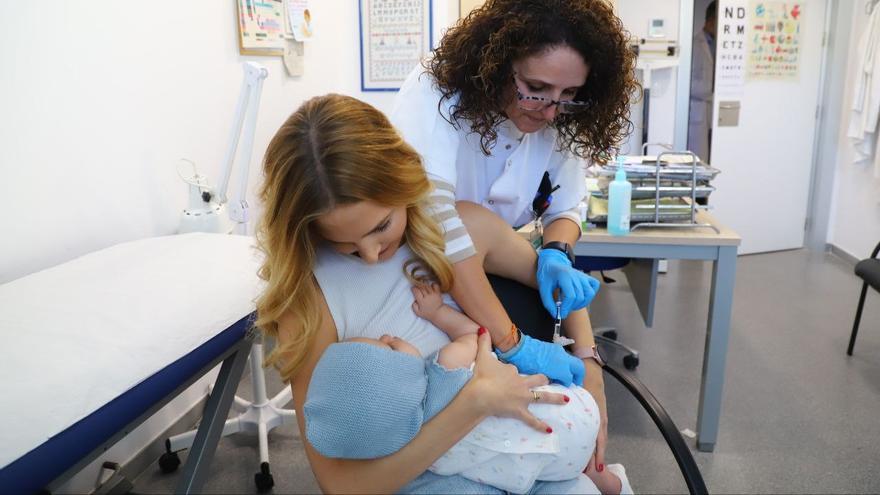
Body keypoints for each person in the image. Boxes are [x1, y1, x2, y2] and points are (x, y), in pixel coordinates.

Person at [256, 93, 604, 493]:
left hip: (522, 449)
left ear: (404, 182)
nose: (370, 256)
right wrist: (473, 405)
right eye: (343, 244)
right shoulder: (309, 299)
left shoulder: (461, 230)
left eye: (381, 227)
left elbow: (561, 291)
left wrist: (590, 366)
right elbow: (342, 486)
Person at [390, 0, 638, 470]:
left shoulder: (554, 116)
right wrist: (512, 343)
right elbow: (444, 223)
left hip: (497, 265)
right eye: (536, 89)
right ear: (496, 65)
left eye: (569, 95)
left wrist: (559, 256)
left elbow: (566, 209)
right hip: (428, 279)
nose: (550, 110)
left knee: (567, 415)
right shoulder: (435, 93)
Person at [302, 333, 633, 495]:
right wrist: (439, 312)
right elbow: (476, 338)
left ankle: (607, 481)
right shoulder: (444, 372)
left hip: (540, 469)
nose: (389, 336)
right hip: (569, 411)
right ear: (398, 383)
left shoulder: (422, 465)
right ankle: (611, 480)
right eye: (388, 347)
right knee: (594, 473)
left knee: (586, 480)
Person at [689, 0, 717, 162]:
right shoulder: (695, 45)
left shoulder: (715, 44)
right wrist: (712, 91)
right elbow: (689, 85)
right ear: (712, 20)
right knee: (698, 160)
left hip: (711, 113)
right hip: (698, 111)